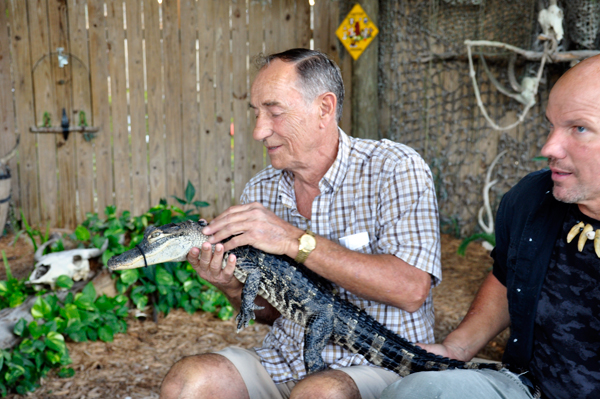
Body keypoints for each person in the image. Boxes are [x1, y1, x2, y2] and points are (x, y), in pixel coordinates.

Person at [159, 48, 442, 399]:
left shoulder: (394, 167)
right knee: (186, 383)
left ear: (324, 108)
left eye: (274, 113)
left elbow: (411, 290)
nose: (259, 131)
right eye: (257, 113)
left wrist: (294, 240)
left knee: (318, 394)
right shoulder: (260, 189)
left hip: (383, 365)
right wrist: (230, 284)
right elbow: (269, 313)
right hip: (286, 358)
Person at [380, 54, 600, 399]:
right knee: (416, 391)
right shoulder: (532, 199)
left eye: (579, 128)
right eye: (551, 125)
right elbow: (507, 277)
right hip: (529, 388)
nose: (548, 148)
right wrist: (455, 348)